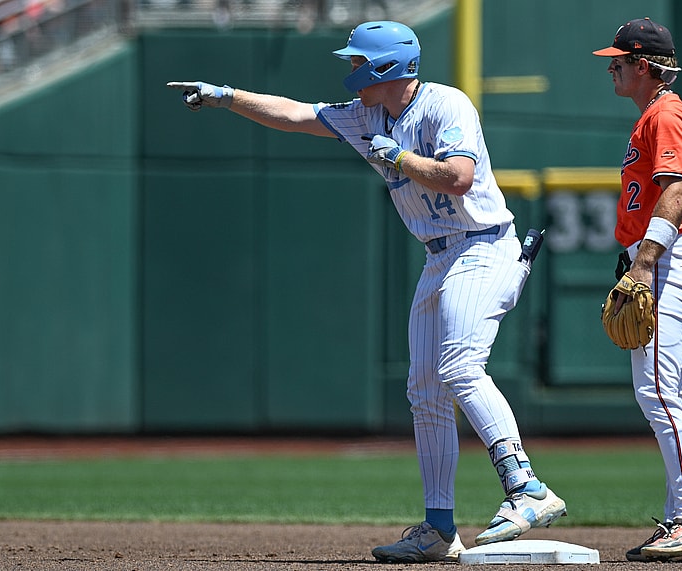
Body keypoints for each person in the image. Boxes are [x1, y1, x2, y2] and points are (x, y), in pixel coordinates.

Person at [167, 20, 566, 564]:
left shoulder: (446, 105)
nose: (350, 67)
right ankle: (439, 528)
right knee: (425, 391)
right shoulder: (365, 115)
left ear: (386, 66)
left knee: (459, 367)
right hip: (439, 256)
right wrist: (228, 97)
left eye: (358, 60)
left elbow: (458, 179)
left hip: (483, 246)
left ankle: (528, 490)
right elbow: (296, 115)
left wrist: (398, 157)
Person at [592, 18, 682, 562]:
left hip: (667, 265)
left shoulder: (665, 113)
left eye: (618, 61)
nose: (611, 68)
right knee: (672, 397)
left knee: (660, 396)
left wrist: (644, 263)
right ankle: (679, 518)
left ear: (644, 66)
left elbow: (676, 190)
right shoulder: (656, 114)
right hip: (673, 263)